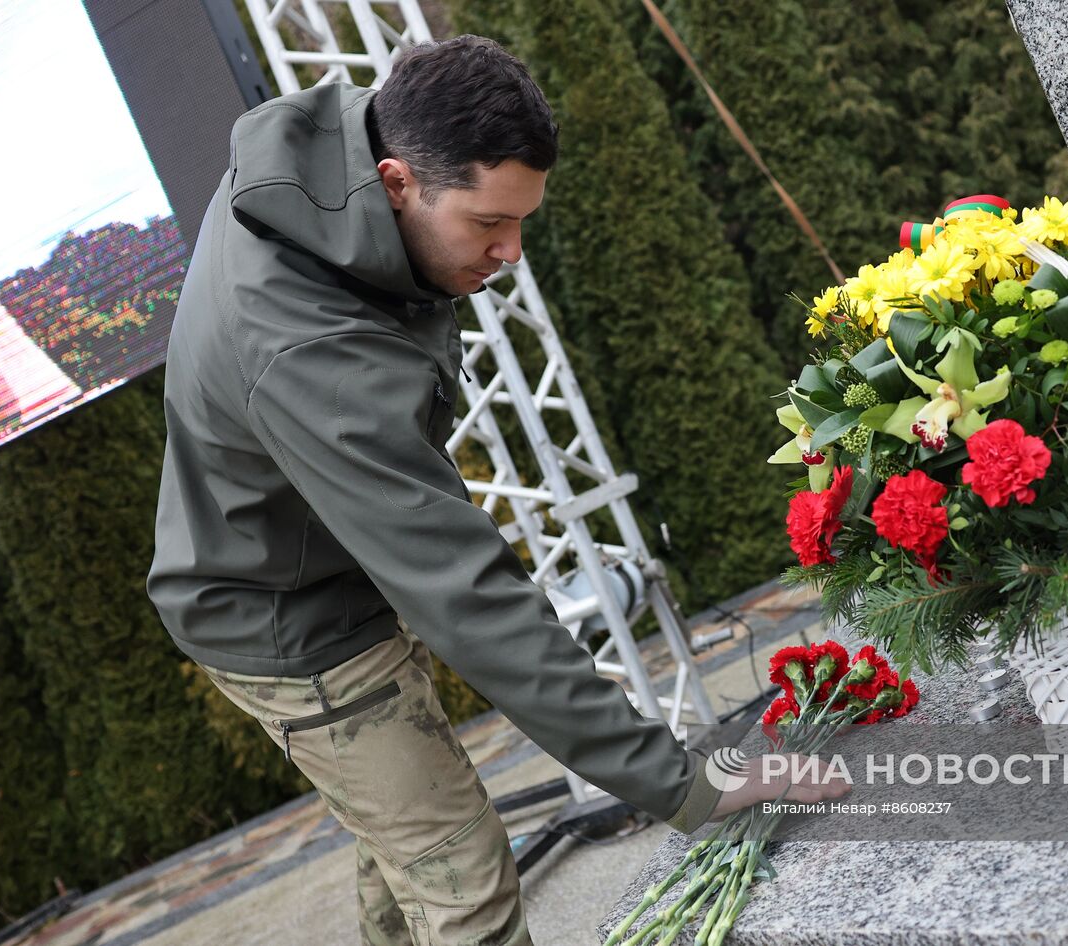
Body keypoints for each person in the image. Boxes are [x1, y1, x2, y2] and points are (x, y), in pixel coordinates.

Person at [146, 35, 846, 946]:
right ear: (398, 183)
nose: (510, 253)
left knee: (411, 853)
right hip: (289, 621)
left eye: (521, 221)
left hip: (332, 560)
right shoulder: (307, 351)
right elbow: (467, 594)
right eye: (488, 226)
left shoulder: (353, 152)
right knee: (465, 882)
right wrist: (679, 781)